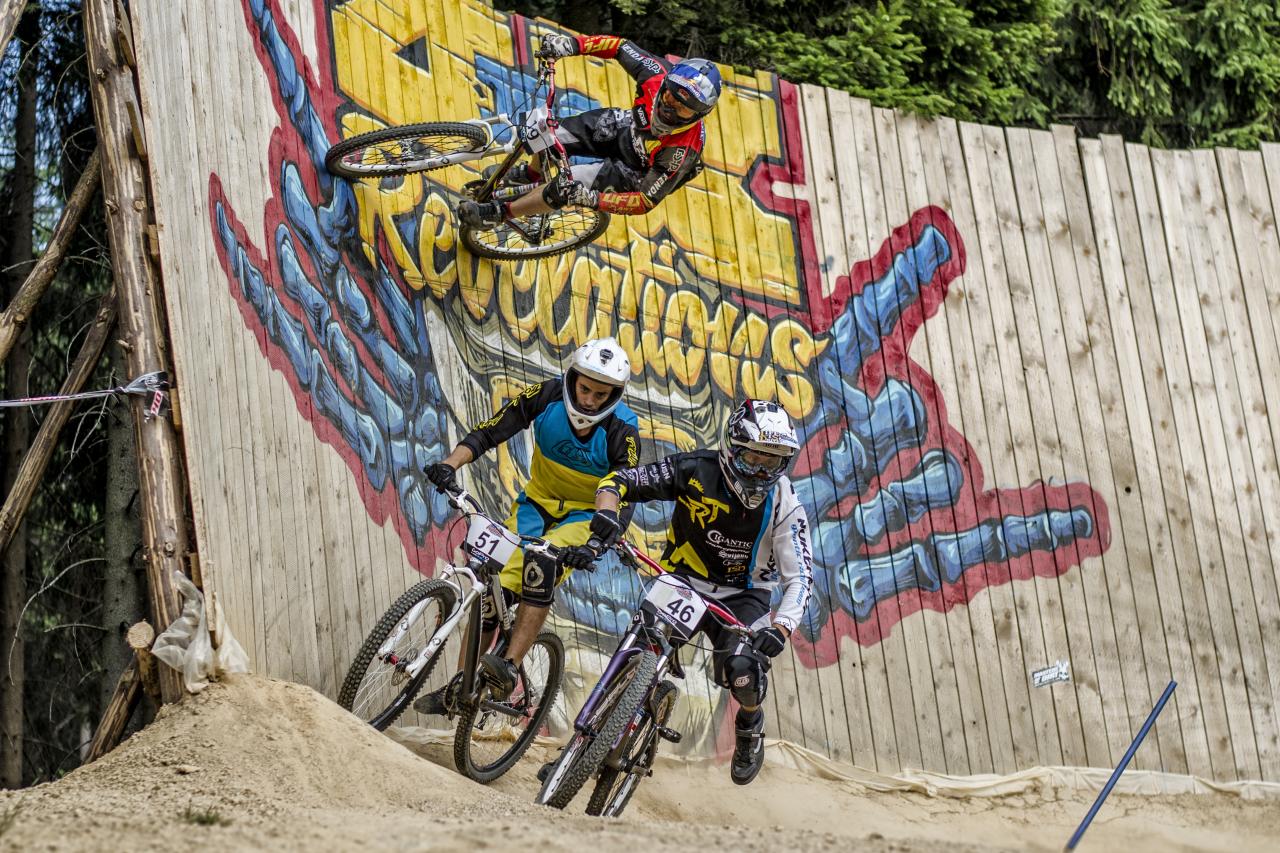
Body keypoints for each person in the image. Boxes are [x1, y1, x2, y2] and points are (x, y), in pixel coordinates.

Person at [561, 399, 813, 785]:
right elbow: (619, 481)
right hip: (684, 580)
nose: (762, 472)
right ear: (732, 448)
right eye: (754, 458)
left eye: (773, 462)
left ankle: (750, 723)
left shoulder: (785, 503)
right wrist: (607, 513)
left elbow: (801, 578)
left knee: (744, 673)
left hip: (744, 597)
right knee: (637, 647)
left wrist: (781, 629)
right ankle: (577, 748)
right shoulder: (695, 468)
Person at [415, 337, 640, 714]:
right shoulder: (548, 394)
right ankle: (459, 687)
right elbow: (491, 430)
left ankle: (508, 667)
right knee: (490, 592)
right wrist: (449, 465)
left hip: (584, 517)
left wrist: (597, 542)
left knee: (541, 567)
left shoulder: (623, 428)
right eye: (585, 389)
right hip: (535, 504)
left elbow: (625, 488)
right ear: (572, 379)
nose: (589, 400)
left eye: (601, 395)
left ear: (614, 395)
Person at [457, 33, 721, 228]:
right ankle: (530, 175)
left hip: (637, 172)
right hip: (626, 129)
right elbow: (620, 46)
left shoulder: (682, 152)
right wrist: (571, 45)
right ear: (665, 84)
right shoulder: (656, 73)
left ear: (699, 115)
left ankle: (500, 214)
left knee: (569, 185)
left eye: (683, 109)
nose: (671, 109)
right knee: (548, 133)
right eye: (671, 97)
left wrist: (592, 199)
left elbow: (645, 201)